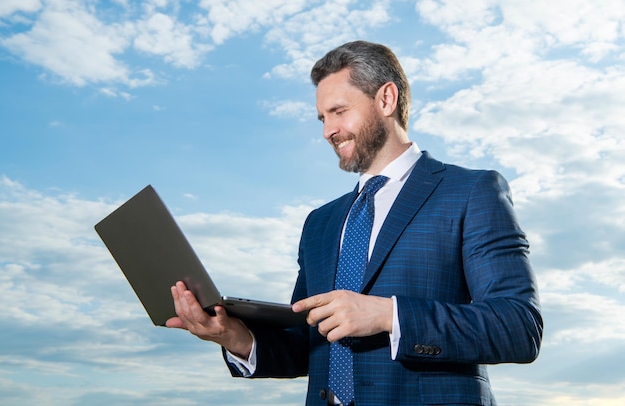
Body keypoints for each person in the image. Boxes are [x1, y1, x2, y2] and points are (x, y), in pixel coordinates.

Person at [166, 40, 543, 405]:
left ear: (386, 99)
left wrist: (386, 314)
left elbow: (518, 326)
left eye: (339, 111)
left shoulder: (470, 191)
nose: (328, 130)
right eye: (322, 117)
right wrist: (236, 337)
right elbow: (308, 345)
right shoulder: (320, 223)